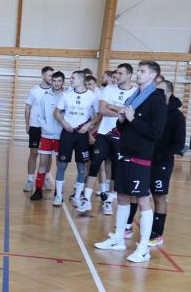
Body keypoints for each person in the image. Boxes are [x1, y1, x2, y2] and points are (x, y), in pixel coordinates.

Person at [95, 61, 166, 263]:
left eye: (143, 71)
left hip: (140, 156)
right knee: (122, 195)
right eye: (139, 70)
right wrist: (122, 120)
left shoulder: (157, 100)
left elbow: (156, 133)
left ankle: (143, 248)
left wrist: (133, 119)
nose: (138, 74)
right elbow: (124, 127)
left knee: (142, 199)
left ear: (152, 76)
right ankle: (118, 238)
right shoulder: (133, 97)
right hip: (124, 152)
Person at [77, 64, 136, 215]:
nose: (117, 76)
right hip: (104, 134)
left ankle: (109, 201)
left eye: (121, 74)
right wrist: (121, 111)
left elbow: (133, 114)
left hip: (121, 137)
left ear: (129, 75)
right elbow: (102, 109)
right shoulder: (109, 89)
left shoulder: (135, 92)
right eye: (117, 73)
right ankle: (86, 200)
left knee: (116, 169)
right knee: (95, 164)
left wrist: (113, 106)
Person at [147, 79, 185, 247]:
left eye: (161, 91)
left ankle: (157, 234)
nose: (157, 95)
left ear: (169, 93)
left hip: (161, 162)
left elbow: (179, 144)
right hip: (144, 159)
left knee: (159, 196)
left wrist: (160, 154)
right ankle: (128, 228)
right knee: (136, 194)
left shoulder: (177, 116)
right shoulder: (152, 110)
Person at [52, 70, 97, 207]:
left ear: (81, 79)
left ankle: (77, 196)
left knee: (82, 167)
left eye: (73, 78)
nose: (70, 80)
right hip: (67, 133)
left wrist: (89, 125)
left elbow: (99, 114)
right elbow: (56, 112)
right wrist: (63, 122)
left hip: (82, 134)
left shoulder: (92, 96)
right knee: (62, 165)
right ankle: (58, 196)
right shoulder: (67, 95)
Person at [30, 71, 66, 201]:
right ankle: (38, 190)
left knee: (60, 166)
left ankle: (58, 192)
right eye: (54, 81)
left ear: (63, 82)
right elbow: (40, 115)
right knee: (43, 163)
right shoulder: (45, 96)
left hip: (61, 137)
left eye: (59, 81)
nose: (56, 83)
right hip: (46, 135)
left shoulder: (67, 96)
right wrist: (46, 128)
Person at [24, 66, 54, 191]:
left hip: (50, 128)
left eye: (53, 75)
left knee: (48, 155)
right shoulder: (34, 90)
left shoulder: (55, 91)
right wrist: (27, 125)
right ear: (43, 75)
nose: (51, 78)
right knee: (34, 153)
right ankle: (30, 180)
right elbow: (27, 108)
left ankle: (45, 178)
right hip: (36, 126)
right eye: (49, 75)